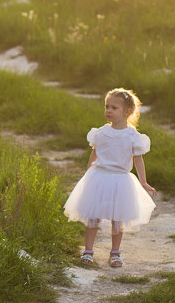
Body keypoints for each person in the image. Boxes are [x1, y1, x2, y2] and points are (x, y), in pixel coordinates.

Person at [63, 88, 157, 268]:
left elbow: (138, 160)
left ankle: (115, 252)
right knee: (92, 218)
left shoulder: (133, 137)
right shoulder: (100, 133)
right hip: (99, 177)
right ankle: (88, 251)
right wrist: (88, 174)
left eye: (114, 108)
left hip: (121, 180)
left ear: (127, 112)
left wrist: (143, 181)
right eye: (107, 106)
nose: (108, 111)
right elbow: (95, 154)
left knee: (117, 219)